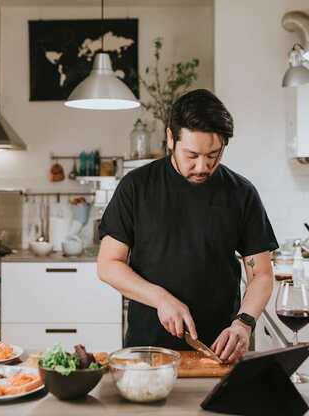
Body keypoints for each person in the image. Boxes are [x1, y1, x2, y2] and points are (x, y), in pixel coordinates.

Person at [97, 89, 278, 363]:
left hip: (220, 349)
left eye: (214, 155)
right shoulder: (137, 187)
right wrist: (160, 298)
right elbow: (108, 265)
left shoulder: (241, 193)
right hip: (148, 349)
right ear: (171, 138)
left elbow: (262, 274)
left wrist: (243, 323)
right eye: (191, 155)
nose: (203, 166)